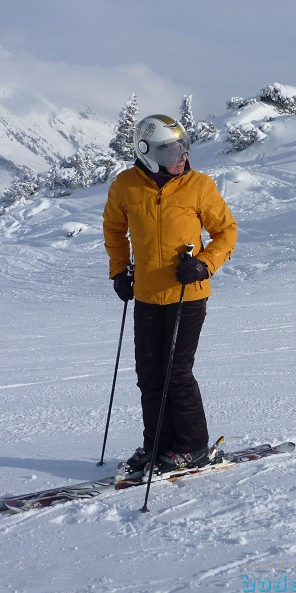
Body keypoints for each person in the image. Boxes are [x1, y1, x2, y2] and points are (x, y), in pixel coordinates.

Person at [103, 114, 238, 476]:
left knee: (176, 374)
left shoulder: (199, 186)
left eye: (182, 148)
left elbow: (226, 232)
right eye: (169, 151)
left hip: (187, 295)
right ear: (146, 152)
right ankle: (157, 444)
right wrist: (119, 270)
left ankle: (192, 447)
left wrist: (204, 264)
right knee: (149, 374)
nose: (180, 157)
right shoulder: (126, 186)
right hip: (147, 296)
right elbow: (115, 229)